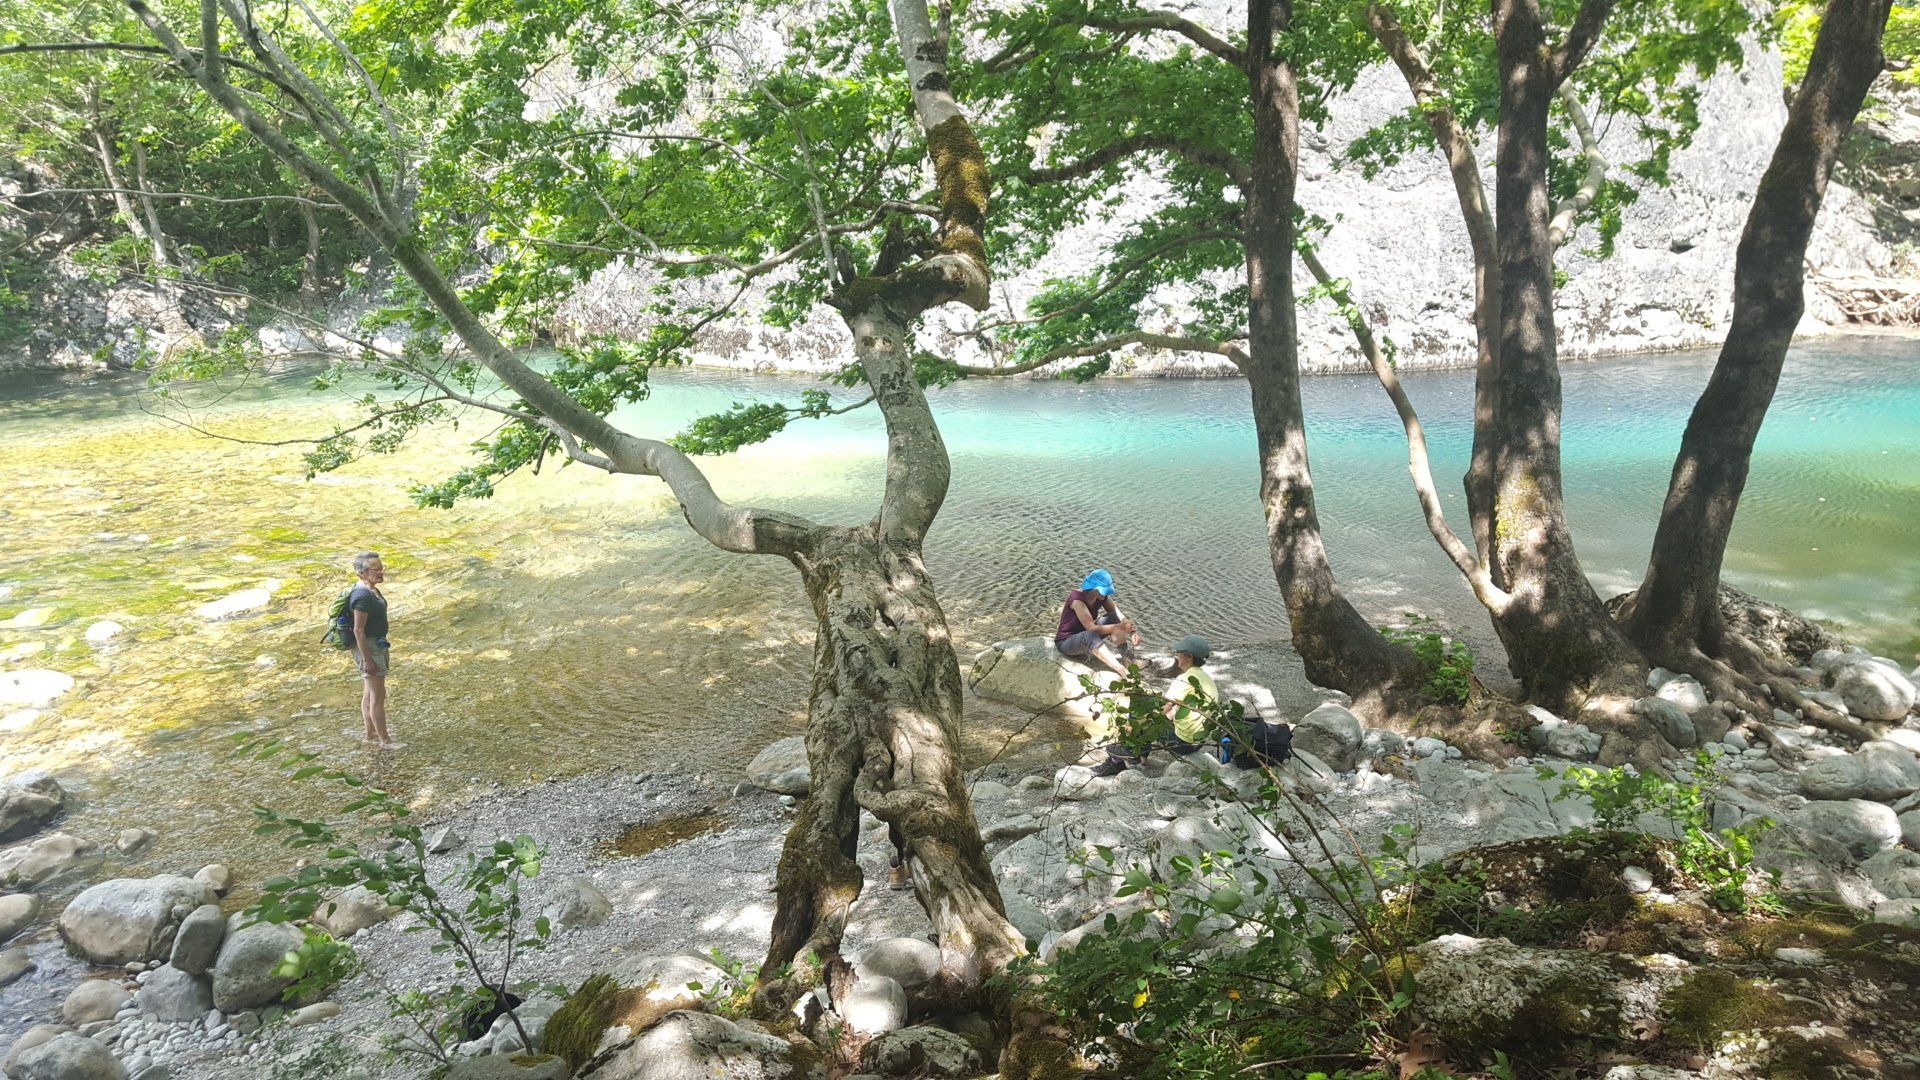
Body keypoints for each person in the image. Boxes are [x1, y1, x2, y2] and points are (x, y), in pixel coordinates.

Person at [1090, 634, 1217, 776]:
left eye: (1179, 653)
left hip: (1182, 743)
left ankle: (1121, 759)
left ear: (1189, 657)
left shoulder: (1185, 679)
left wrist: (1136, 723)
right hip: (1198, 741)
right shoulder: (1206, 679)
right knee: (1150, 707)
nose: (1177, 656)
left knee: (1140, 702)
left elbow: (1166, 708)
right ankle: (1141, 758)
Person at [346, 551, 403, 750]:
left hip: (376, 645)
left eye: (381, 568)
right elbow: (358, 630)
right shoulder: (361, 595)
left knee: (369, 693)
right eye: (375, 569)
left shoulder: (371, 590)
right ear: (361, 573)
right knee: (378, 696)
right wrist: (367, 659)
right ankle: (385, 741)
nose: (380, 572)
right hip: (369, 648)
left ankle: (370, 733)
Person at [1054, 569, 1141, 677]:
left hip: (1085, 635)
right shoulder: (1077, 600)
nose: (1106, 594)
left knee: (1113, 617)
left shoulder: (1101, 597)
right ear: (1094, 589)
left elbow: (1118, 615)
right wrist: (1118, 627)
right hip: (1066, 642)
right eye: (1104, 591)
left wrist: (1132, 631)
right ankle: (1122, 672)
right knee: (1091, 634)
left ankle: (1129, 660)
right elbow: (1091, 628)